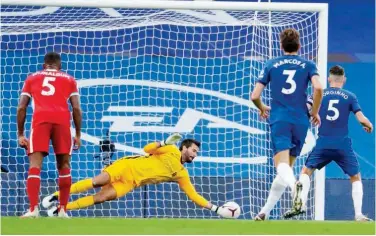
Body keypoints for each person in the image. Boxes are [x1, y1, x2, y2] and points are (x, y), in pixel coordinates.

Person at [42, 133, 229, 218]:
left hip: (132, 183)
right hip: (127, 166)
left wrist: (216, 209)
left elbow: (193, 196)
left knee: (102, 197)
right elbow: (146, 149)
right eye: (194, 150)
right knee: (98, 181)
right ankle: (56, 196)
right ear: (184, 147)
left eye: (197, 153)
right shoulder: (171, 149)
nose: (195, 155)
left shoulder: (181, 174)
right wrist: (163, 141)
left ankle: (61, 210)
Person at [251, 28, 323, 220]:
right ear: (299, 46)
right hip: (301, 120)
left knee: (281, 166)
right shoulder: (308, 64)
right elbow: (318, 87)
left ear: (281, 45)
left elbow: (254, 96)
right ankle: (264, 212)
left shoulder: (271, 64)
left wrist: (262, 107)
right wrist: (314, 112)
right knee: (286, 169)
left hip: (280, 118)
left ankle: (295, 187)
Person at [283, 65, 373, 221]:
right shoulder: (350, 96)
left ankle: (301, 204)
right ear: (343, 80)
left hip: (323, 143)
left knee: (306, 172)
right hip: (342, 145)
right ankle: (358, 214)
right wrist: (369, 125)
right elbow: (361, 118)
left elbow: (306, 109)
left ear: (329, 79)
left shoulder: (320, 94)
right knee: (355, 177)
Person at [17, 52, 82, 218]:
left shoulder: (32, 78)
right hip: (62, 121)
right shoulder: (69, 79)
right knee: (64, 165)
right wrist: (78, 134)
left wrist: (20, 133)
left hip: (41, 120)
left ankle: (33, 209)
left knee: (35, 165)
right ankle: (62, 210)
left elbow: (21, 107)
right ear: (59, 67)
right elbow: (76, 108)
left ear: (44, 65)